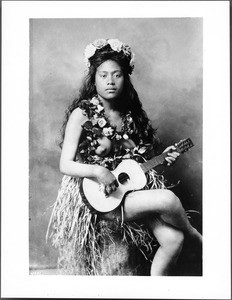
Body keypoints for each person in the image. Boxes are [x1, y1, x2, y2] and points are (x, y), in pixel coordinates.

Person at [47, 38, 202, 276]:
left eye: (117, 75)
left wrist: (163, 157)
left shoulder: (129, 115)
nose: (110, 81)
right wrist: (98, 171)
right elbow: (65, 164)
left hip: (127, 193)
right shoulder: (81, 114)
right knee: (168, 200)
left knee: (172, 240)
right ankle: (197, 239)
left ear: (125, 78)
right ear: (94, 78)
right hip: (100, 197)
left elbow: (134, 160)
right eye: (103, 75)